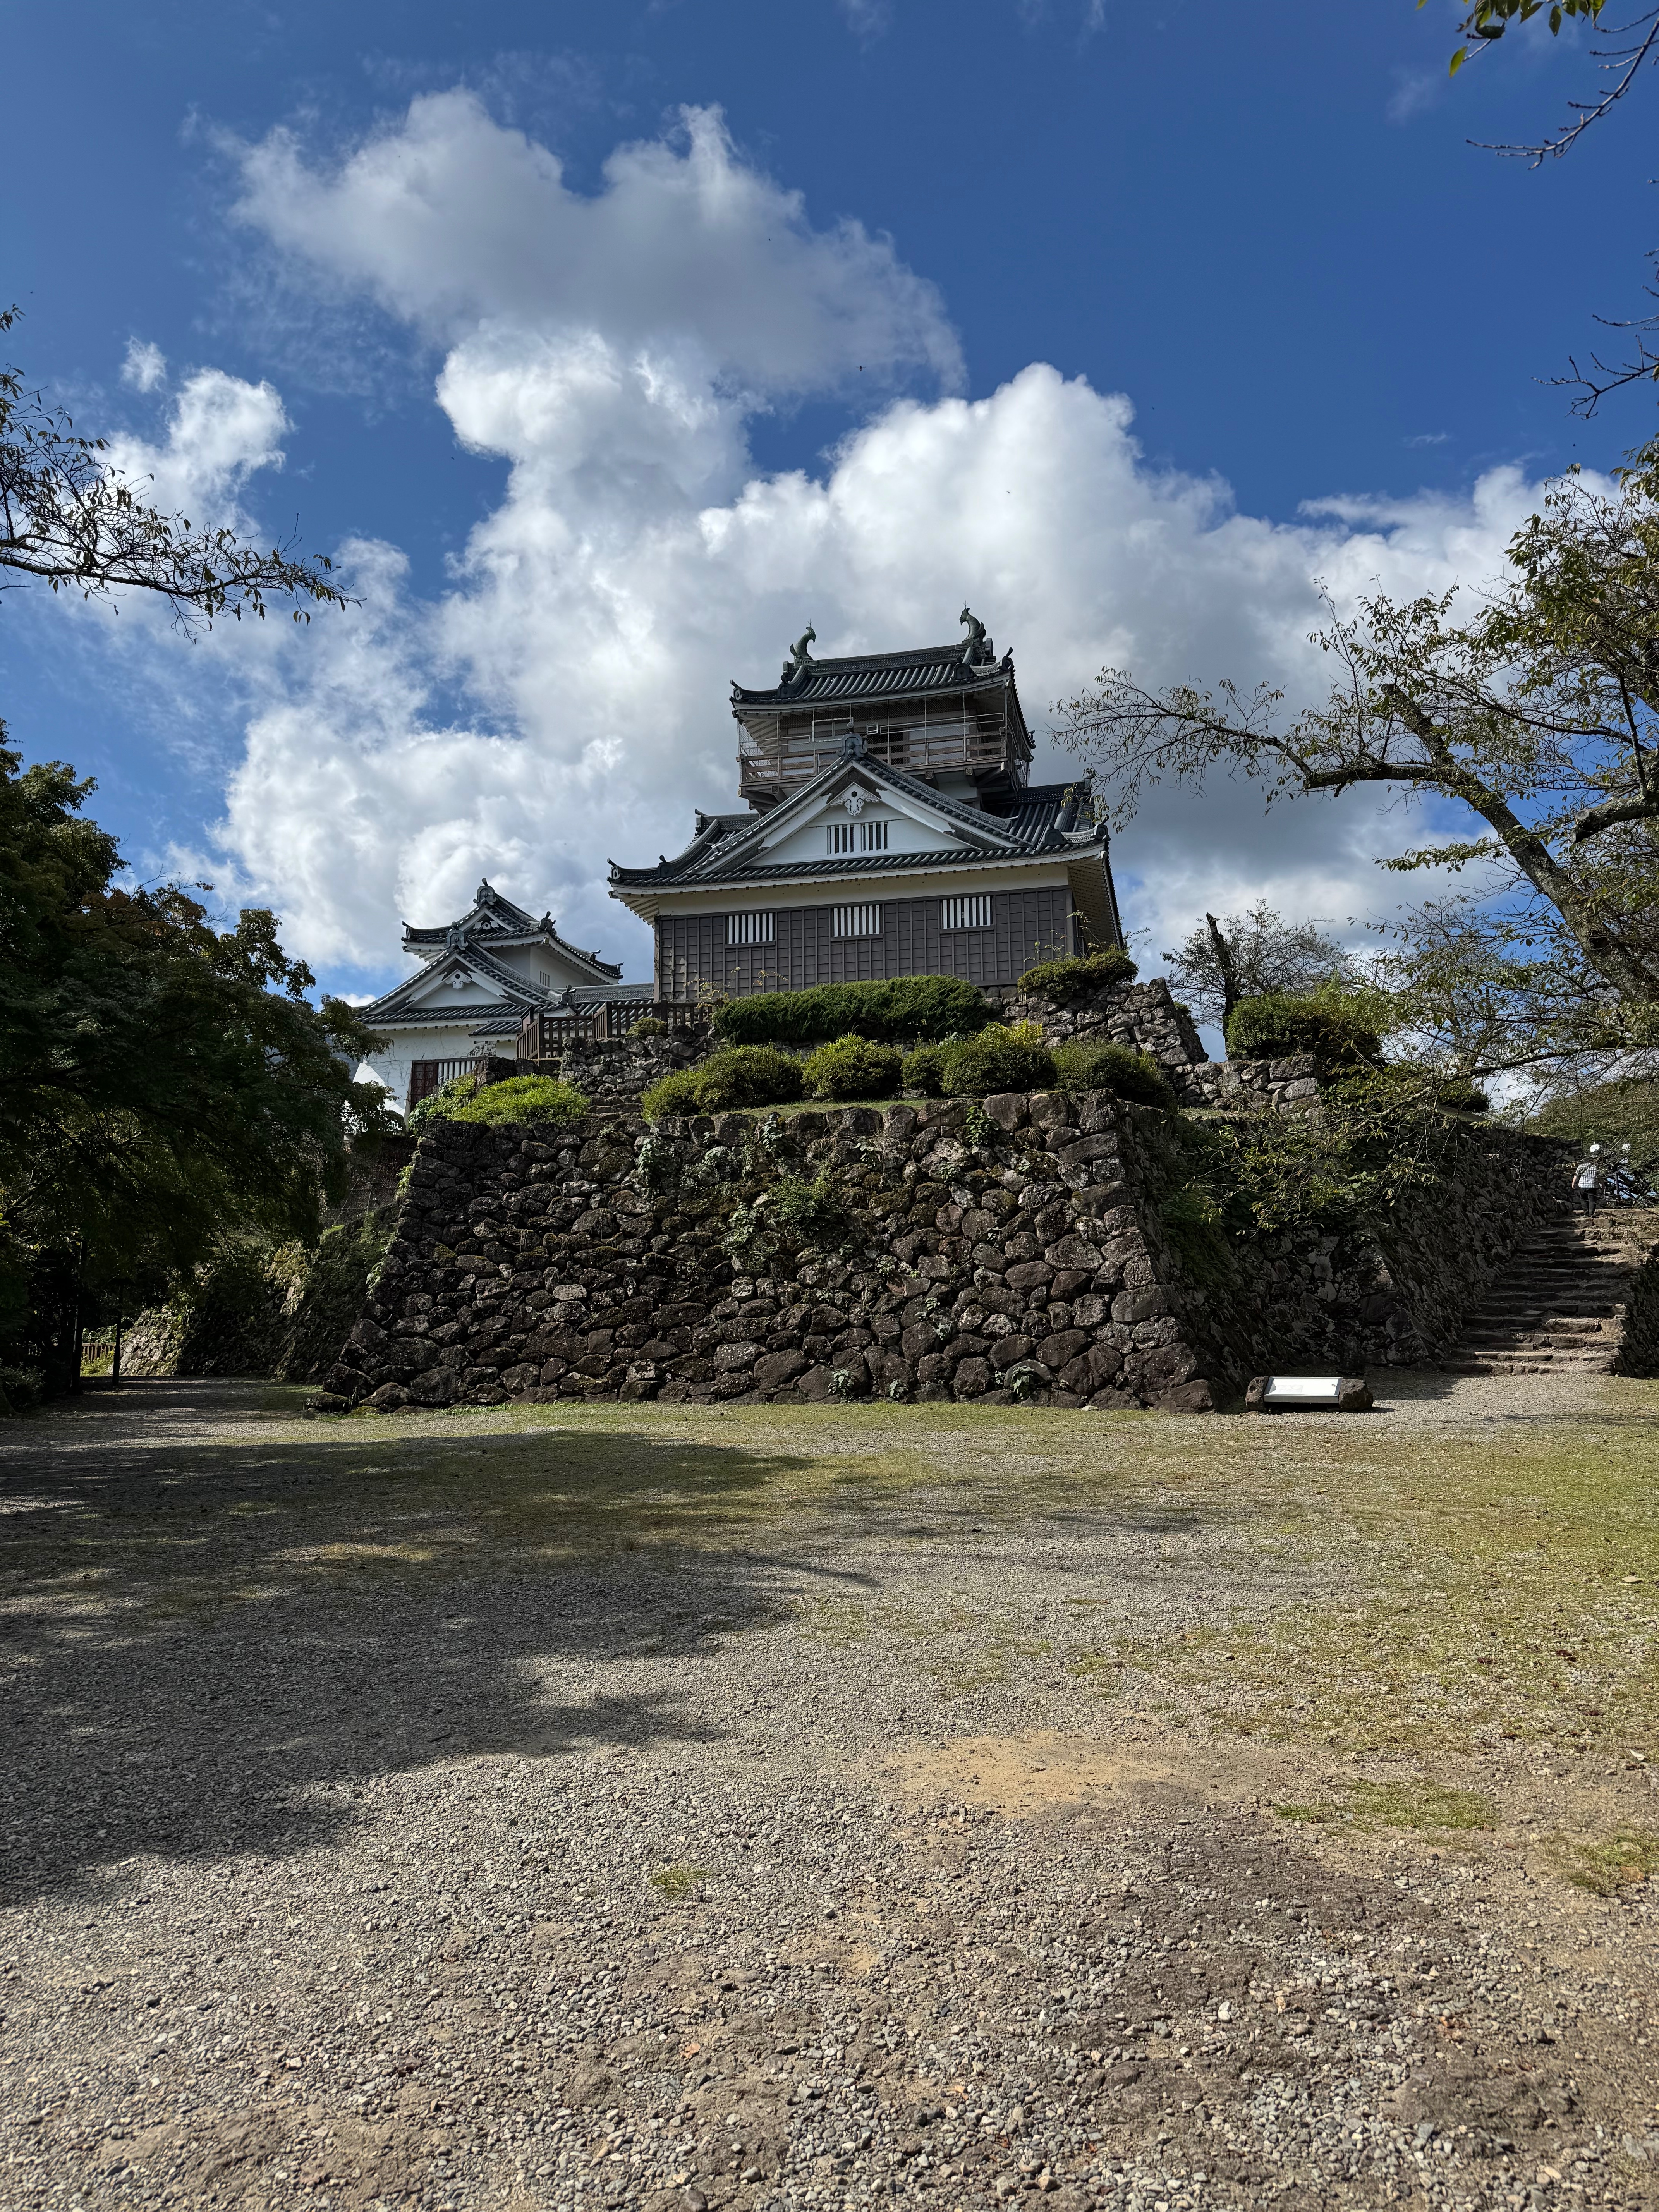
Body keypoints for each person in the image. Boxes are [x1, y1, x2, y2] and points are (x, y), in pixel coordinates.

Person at [1571, 1144, 1602, 1216]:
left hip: (1582, 1185)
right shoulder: (1596, 1167)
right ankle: (1592, 1214)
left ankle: (1586, 1213)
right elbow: (1600, 1177)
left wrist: (1574, 1183)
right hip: (1592, 1185)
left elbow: (1576, 1175)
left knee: (1583, 1199)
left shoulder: (1581, 1166)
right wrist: (1603, 1186)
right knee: (1592, 1200)